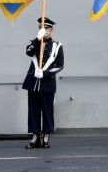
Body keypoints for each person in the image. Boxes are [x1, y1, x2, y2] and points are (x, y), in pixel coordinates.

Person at [23, 17, 64, 149]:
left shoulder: (57, 46)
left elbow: (60, 65)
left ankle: (46, 136)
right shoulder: (34, 42)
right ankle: (35, 137)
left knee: (47, 111)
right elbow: (29, 52)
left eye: (45, 28)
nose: (43, 30)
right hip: (33, 83)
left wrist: (45, 73)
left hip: (47, 84)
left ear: (51, 29)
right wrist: (37, 39)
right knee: (33, 111)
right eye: (41, 28)